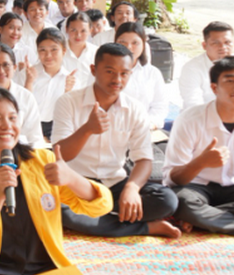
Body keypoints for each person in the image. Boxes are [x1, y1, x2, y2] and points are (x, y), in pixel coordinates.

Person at [0, 87, 113, 275]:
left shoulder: (42, 161)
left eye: (12, 118)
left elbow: (102, 206)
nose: (7, 126)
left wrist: (72, 178)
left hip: (45, 267)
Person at [51, 43, 181, 238]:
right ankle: (145, 227)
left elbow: (144, 159)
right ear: (94, 70)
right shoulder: (68, 102)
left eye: (124, 73)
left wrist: (132, 188)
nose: (117, 79)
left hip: (115, 183)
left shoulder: (135, 109)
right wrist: (87, 130)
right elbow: (61, 155)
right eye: (110, 71)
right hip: (77, 185)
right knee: (56, 208)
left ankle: (103, 218)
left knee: (167, 200)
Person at [164, 56, 234, 234]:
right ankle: (205, 218)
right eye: (230, 81)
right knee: (179, 201)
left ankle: (203, 220)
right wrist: (201, 162)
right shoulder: (190, 119)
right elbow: (174, 179)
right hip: (196, 189)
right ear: (214, 88)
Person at [0, 43, 45, 147]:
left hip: (20, 156)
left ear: (14, 67)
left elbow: (35, 138)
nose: (1, 71)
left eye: (6, 65)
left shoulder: (26, 97)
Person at [22, 28, 76, 140]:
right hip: (30, 125)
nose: (48, 55)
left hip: (56, 127)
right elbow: (22, 106)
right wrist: (29, 82)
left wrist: (68, 91)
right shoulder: (28, 73)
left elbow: (69, 114)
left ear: (64, 51)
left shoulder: (70, 79)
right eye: (42, 50)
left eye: (54, 50)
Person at [180, 22, 234, 109]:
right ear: (204, 45)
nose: (223, 47)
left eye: (227, 42)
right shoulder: (192, 68)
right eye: (216, 43)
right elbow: (194, 104)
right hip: (202, 118)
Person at [63, 11, 98, 89]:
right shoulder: (57, 51)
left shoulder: (96, 52)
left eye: (83, 31)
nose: (78, 35)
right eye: (73, 30)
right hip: (64, 97)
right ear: (66, 29)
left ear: (90, 30)